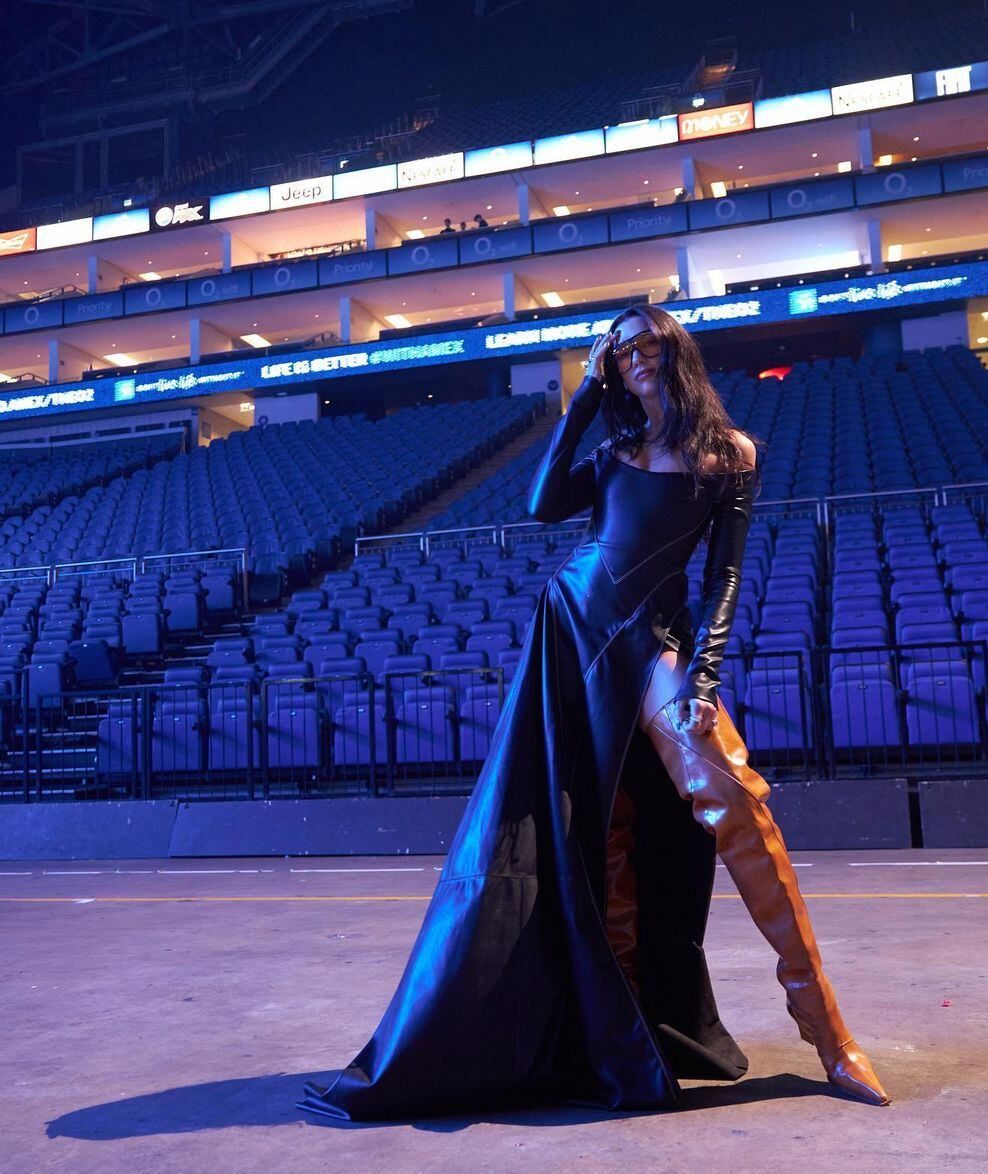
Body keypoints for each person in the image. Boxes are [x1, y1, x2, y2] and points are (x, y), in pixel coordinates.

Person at [298, 305, 889, 1122]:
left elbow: (722, 578)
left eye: (647, 345)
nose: (635, 359)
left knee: (739, 805)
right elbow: (543, 502)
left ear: (676, 351)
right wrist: (578, 401)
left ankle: (831, 1038)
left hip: (653, 642)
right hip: (572, 629)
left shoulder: (730, 457)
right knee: (599, 829)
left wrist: (707, 676)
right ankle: (618, 1036)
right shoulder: (615, 451)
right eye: (620, 352)